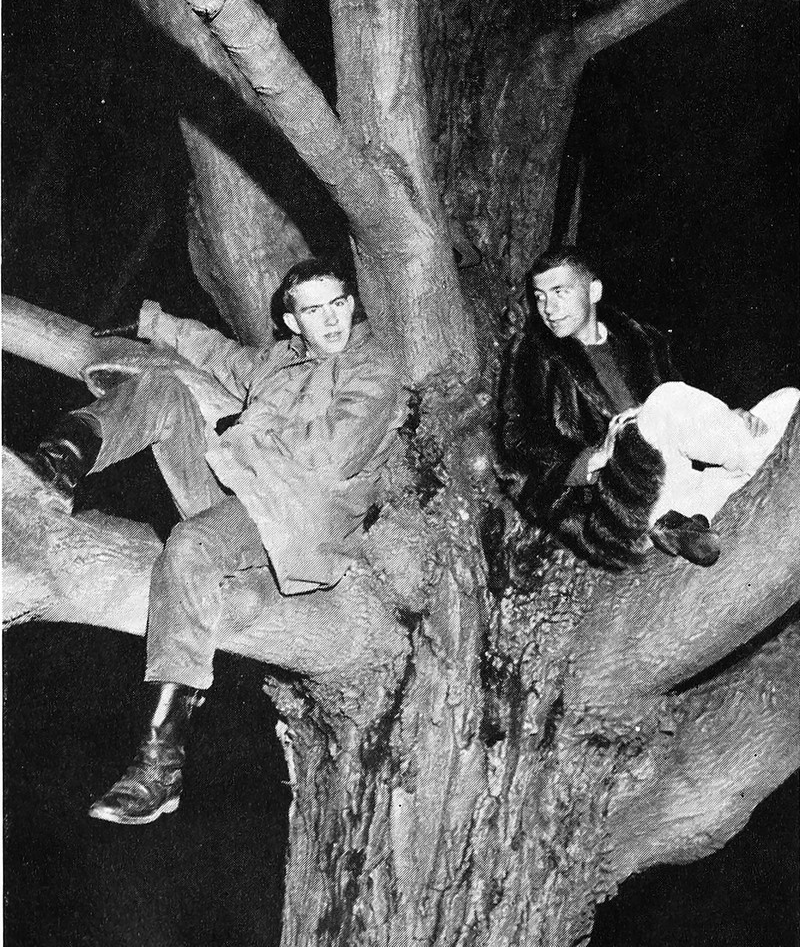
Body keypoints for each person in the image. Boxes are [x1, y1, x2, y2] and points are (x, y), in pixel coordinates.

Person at [27, 257, 408, 825]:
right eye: (314, 310)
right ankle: (54, 464)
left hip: (294, 516)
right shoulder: (279, 361)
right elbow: (217, 353)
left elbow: (335, 454)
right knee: (163, 388)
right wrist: (152, 322)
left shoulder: (372, 365)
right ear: (292, 321)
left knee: (191, 545)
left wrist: (243, 433)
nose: (331, 320)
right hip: (239, 490)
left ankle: (162, 762)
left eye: (338, 304)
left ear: (352, 304)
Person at [500, 247, 798, 570]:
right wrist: (590, 460)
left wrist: (729, 416)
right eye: (540, 297)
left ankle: (682, 521)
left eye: (560, 292)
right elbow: (515, 452)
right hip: (618, 505)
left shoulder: (641, 340)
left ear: (594, 291)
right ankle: (739, 460)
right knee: (666, 401)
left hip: (678, 475)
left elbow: (688, 412)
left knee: (787, 398)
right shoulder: (534, 356)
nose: (548, 308)